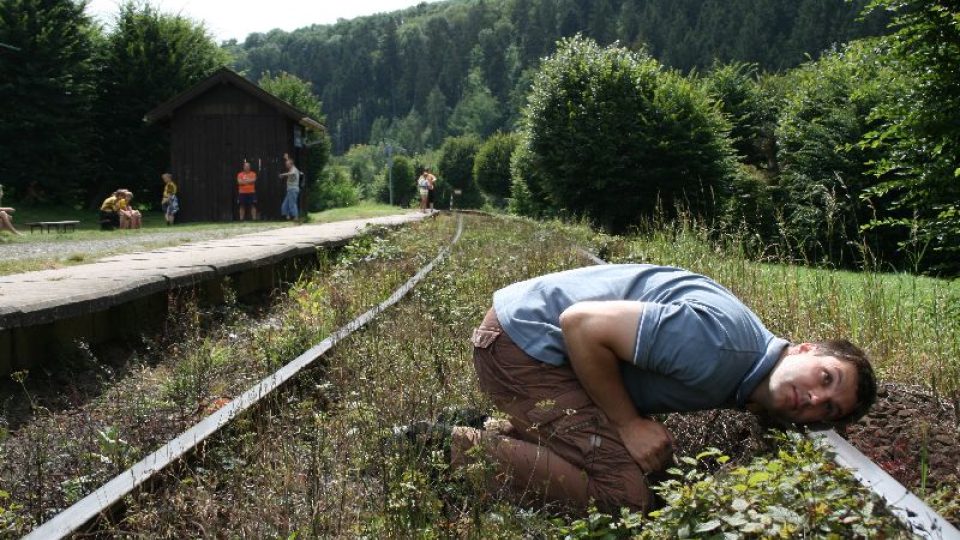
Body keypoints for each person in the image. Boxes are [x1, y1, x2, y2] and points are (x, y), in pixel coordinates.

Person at [447, 264, 877, 513]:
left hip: (535, 343)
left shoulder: (747, 366)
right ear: (805, 349)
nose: (817, 399)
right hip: (520, 345)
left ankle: (497, 432)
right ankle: (441, 447)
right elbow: (582, 324)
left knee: (625, 467)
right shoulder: (723, 348)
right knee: (626, 497)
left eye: (829, 411)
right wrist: (628, 423)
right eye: (826, 378)